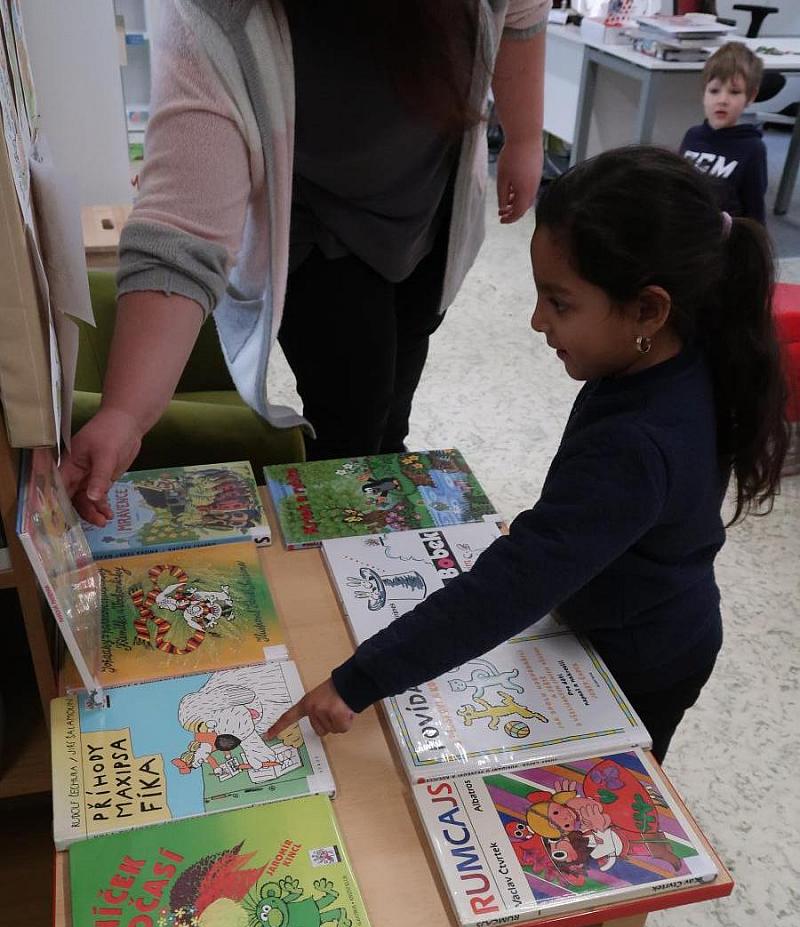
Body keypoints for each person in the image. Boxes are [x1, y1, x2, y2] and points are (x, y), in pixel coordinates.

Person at [268, 144, 788, 768]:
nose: (537, 321)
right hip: (625, 608)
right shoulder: (671, 351)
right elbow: (606, 517)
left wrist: (359, 680)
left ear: (649, 310)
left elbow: (508, 590)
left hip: (637, 659)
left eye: (560, 303)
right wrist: (565, 531)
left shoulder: (636, 444)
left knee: (601, 791)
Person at [62, 0, 551, 522]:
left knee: (397, 388)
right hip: (310, 222)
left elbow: (523, 14)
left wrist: (524, 137)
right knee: (351, 415)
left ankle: (384, 490)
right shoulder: (220, 14)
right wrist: (126, 413)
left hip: (428, 209)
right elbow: (182, 228)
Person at [679, 42, 767, 224]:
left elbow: (755, 211)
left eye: (734, 92)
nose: (722, 100)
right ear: (703, 93)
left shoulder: (752, 148)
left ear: (750, 96)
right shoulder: (692, 136)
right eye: (714, 91)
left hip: (723, 235)